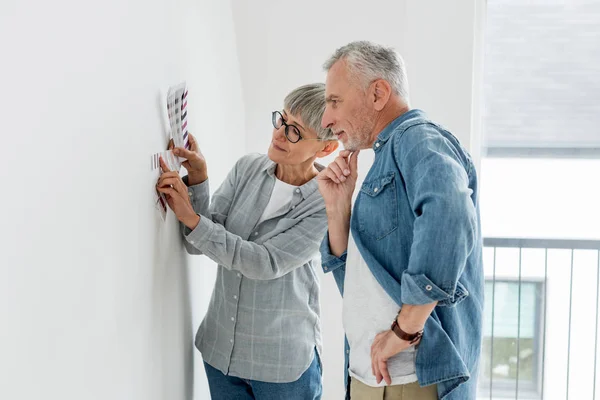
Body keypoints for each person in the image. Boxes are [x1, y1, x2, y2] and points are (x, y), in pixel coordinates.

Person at [317, 41, 484, 400]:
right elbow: (361, 283)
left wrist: (405, 329)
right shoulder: (383, 157)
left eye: (334, 102)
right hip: (370, 377)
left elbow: (451, 214)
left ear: (378, 93)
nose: (326, 121)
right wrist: (339, 208)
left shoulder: (416, 138)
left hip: (406, 381)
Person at [156, 83, 338, 400]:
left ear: (325, 148)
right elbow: (197, 242)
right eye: (282, 120)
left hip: (283, 370)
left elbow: (264, 263)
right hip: (221, 354)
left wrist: (193, 218)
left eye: (295, 131)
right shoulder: (248, 168)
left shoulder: (326, 203)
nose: (279, 134)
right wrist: (198, 180)